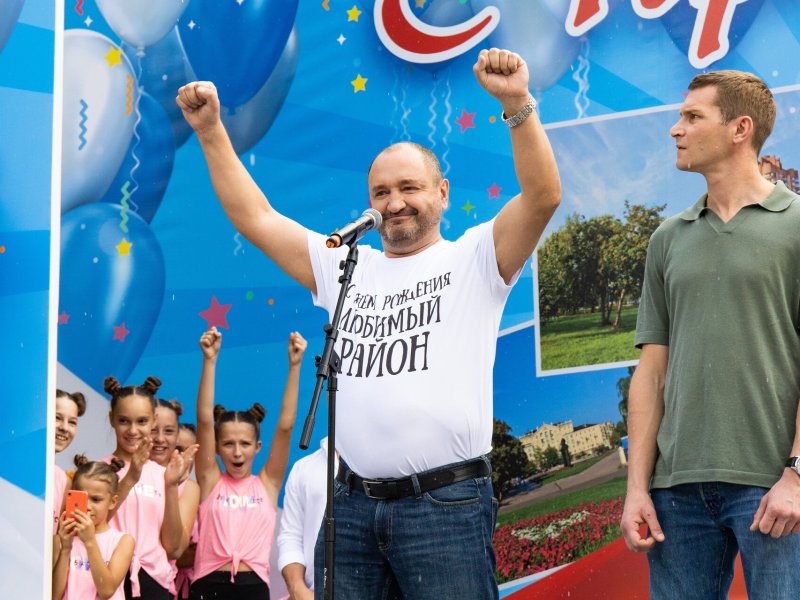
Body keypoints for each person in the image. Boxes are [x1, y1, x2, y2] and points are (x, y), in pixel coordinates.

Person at [177, 46, 560, 599]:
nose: (394, 202)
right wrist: (212, 131)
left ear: (442, 194)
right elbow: (256, 217)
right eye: (381, 192)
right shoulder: (346, 264)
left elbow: (543, 197)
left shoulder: (475, 257)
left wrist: (517, 103)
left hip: (445, 507)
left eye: (409, 188)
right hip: (352, 507)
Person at [620, 70, 800, 599]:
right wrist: (637, 489)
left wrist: (796, 474)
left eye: (692, 117)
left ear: (740, 128)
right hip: (675, 494)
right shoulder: (666, 239)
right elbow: (651, 374)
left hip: (773, 486)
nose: (675, 129)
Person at [190, 328, 306, 599]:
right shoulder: (210, 480)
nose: (237, 453)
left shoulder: (268, 483)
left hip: (252, 587)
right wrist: (209, 360)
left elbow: (285, 427)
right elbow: (204, 421)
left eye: (244, 444)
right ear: (217, 448)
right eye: (228, 444)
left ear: (257, 447)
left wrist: (295, 366)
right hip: (208, 584)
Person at [104, 376, 191, 600]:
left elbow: (173, 548)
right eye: (124, 421)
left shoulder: (164, 475)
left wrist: (171, 485)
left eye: (142, 421)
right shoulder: (97, 471)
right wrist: (130, 477)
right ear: (112, 419)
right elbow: (92, 525)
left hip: (154, 583)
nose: (133, 430)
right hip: (108, 579)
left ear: (154, 420)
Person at [53, 456, 135, 600]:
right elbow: (53, 596)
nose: (87, 506)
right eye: (82, 498)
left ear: (112, 502)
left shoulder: (122, 541)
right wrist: (65, 549)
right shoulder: (59, 540)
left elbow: (106, 590)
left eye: (96, 499)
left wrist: (90, 541)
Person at [149, 400, 201, 599]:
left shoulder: (191, 490)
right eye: (179, 448)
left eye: (190, 450)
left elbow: (176, 550)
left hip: (167, 585)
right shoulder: (130, 474)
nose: (160, 439)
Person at [276, 437, 338, 600]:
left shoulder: (387, 468)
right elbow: (291, 536)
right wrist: (298, 591)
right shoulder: (304, 468)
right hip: (312, 593)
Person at [53, 389, 87, 534]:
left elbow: (58, 537)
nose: (64, 428)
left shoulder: (64, 481)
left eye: (72, 422)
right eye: (57, 418)